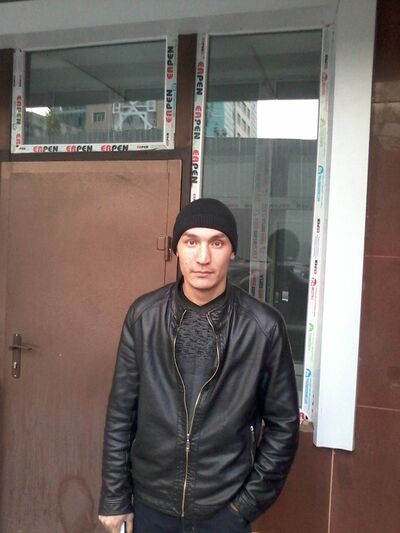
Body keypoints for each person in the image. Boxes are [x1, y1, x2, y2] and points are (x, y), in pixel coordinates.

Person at [98, 198, 299, 533]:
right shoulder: (144, 316)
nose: (203, 257)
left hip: (224, 510)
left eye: (217, 243)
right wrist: (115, 497)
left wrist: (243, 507)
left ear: (232, 251)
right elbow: (121, 412)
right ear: (176, 248)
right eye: (191, 242)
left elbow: (283, 426)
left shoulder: (263, 326)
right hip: (151, 504)